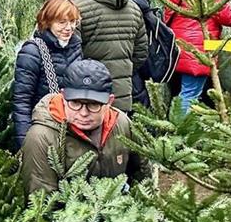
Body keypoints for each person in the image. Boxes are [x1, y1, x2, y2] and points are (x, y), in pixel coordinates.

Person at [20, 59, 146, 194]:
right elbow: (41, 197)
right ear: (63, 97)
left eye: (93, 105)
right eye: (75, 103)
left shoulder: (121, 123)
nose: (83, 113)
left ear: (109, 101)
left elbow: (143, 174)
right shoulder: (42, 137)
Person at [67, 0, 148, 113]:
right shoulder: (133, 6)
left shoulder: (75, 8)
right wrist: (122, 72)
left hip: (86, 100)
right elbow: (141, 53)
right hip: (122, 97)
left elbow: (69, 54)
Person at [11, 0, 83, 151]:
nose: (69, 28)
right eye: (62, 22)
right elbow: (22, 101)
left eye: (72, 22)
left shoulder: (76, 47)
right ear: (47, 22)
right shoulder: (33, 51)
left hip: (72, 131)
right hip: (43, 130)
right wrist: (26, 143)